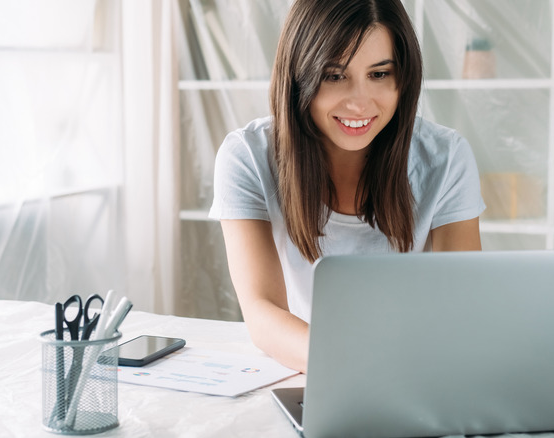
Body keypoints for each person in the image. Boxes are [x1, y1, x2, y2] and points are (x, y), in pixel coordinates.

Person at [208, 0, 485, 373]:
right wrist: (355, 366)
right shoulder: (247, 156)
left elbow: (463, 307)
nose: (359, 103)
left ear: (402, 77)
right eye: (334, 76)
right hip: (312, 366)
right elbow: (262, 313)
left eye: (379, 74)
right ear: (299, 77)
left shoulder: (446, 158)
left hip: (416, 369)